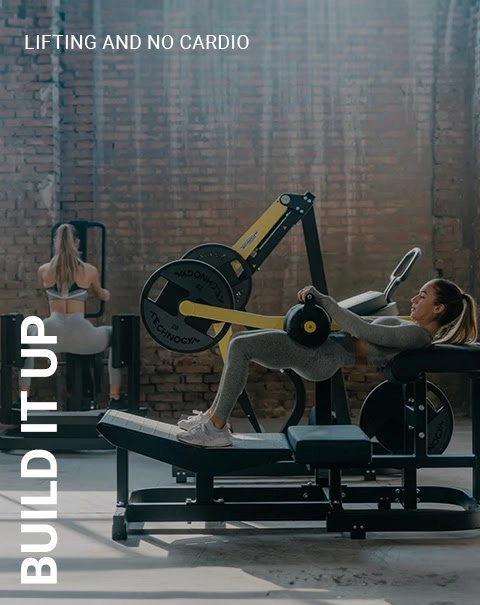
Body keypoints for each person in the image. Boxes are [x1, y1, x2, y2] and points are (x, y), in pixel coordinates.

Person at [176, 278, 478, 448]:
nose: (415, 298)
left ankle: (215, 427)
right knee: (243, 345)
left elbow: (365, 331)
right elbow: (368, 326)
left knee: (241, 346)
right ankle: (214, 419)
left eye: (422, 296)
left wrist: (325, 300)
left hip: (322, 356)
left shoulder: (417, 337)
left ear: (437, 308)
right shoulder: (409, 326)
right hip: (323, 348)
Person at [20, 223, 122, 405]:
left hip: (50, 334)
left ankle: (23, 396)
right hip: (82, 334)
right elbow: (101, 295)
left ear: (55, 243)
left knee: (27, 336)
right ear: (77, 243)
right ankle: (115, 396)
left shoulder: (44, 270)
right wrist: (104, 293)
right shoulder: (89, 270)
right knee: (117, 334)